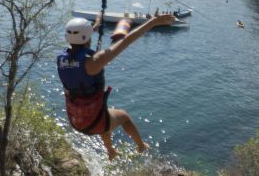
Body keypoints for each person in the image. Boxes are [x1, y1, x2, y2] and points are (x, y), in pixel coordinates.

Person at [56, 12, 176, 159]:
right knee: (123, 116)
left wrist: (96, 25)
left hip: (76, 119)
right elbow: (126, 41)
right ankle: (141, 146)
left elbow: (77, 41)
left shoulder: (61, 58)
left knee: (106, 114)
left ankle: (110, 150)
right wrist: (152, 23)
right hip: (94, 122)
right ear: (87, 38)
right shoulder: (94, 62)